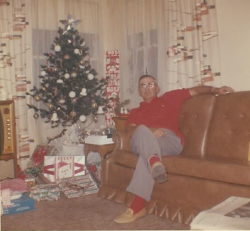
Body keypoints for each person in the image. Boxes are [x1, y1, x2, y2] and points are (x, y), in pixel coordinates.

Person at [114, 74, 234, 224]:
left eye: (150, 84)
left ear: (157, 88)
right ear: (139, 91)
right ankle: (152, 165)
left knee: (146, 152)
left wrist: (216, 89)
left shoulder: (170, 98)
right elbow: (131, 132)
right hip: (142, 139)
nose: (147, 88)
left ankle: (139, 202)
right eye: (142, 85)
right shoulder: (134, 112)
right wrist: (150, 131)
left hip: (168, 141)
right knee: (142, 133)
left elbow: (196, 91)